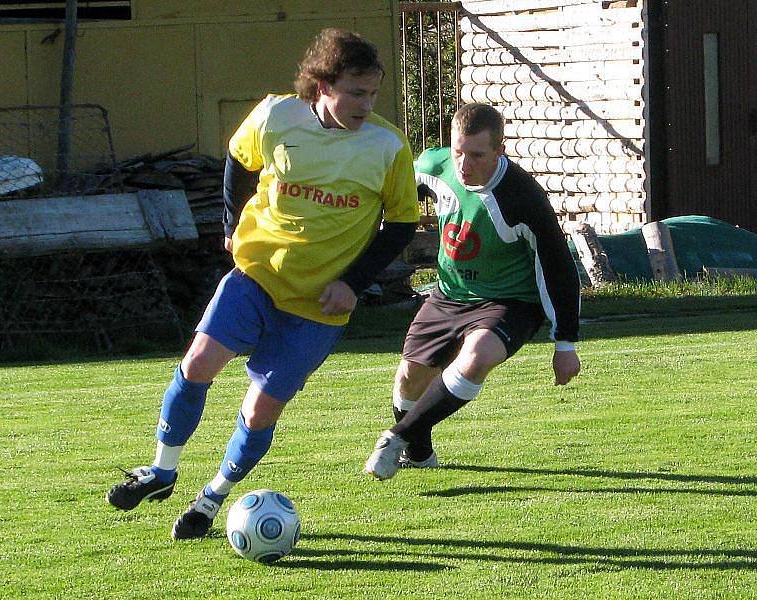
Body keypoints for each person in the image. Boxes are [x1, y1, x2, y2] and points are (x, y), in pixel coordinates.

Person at [106, 28, 420, 538]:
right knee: (198, 362)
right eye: (355, 93)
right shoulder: (276, 115)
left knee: (259, 410)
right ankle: (161, 471)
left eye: (373, 94)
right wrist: (231, 225)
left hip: (319, 303)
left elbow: (402, 224)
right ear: (321, 87)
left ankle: (210, 500)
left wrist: (354, 283)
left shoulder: (386, 146)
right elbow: (238, 160)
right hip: (257, 275)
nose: (366, 104)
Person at [363, 103, 581, 480]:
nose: (464, 164)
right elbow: (390, 191)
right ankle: (418, 451)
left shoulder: (522, 197)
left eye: (477, 155)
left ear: (500, 150)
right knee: (408, 377)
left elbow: (558, 268)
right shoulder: (434, 166)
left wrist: (565, 343)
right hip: (449, 295)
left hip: (509, 302)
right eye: (458, 151)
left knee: (476, 356)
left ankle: (396, 438)